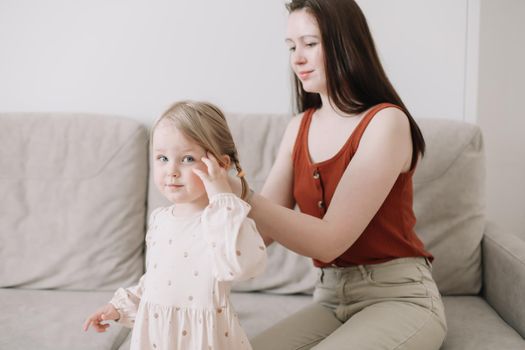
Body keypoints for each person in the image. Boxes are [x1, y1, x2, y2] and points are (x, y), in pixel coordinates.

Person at [237, 0, 447, 349]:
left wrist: (241, 192)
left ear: (345, 43)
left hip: (398, 297)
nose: (297, 59)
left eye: (310, 43)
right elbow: (262, 231)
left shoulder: (386, 122)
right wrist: (212, 203)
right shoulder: (298, 127)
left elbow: (330, 239)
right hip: (330, 299)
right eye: (291, 47)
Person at [83, 101, 267, 350]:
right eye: (162, 158)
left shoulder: (224, 220)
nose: (171, 170)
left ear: (220, 165)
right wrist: (118, 308)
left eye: (187, 158)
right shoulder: (160, 220)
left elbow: (242, 267)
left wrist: (222, 196)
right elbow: (156, 286)